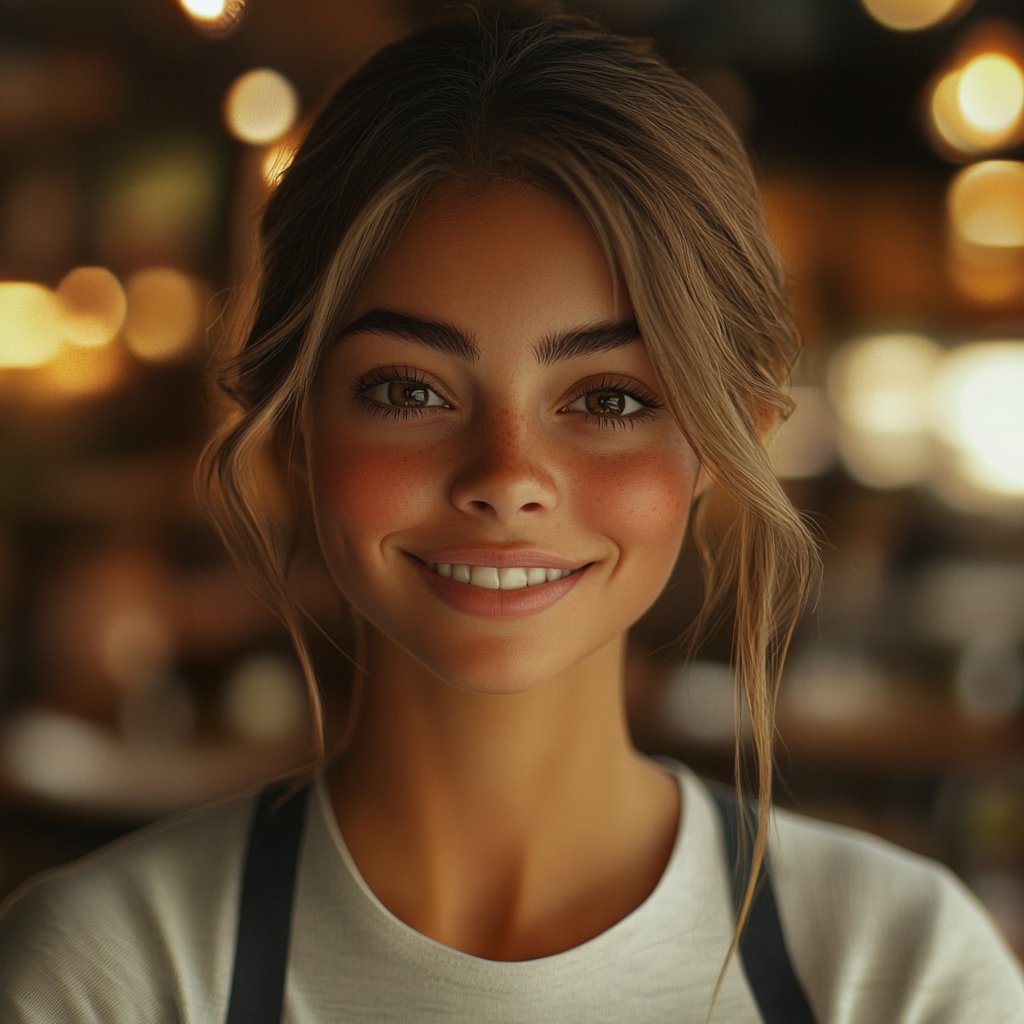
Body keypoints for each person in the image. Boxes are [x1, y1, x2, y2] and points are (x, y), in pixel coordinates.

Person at [1, 7, 1022, 1022]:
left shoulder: (897, 973)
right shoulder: (105, 979)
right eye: (408, 390)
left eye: (609, 398)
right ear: (294, 421)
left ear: (729, 439)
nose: (507, 475)